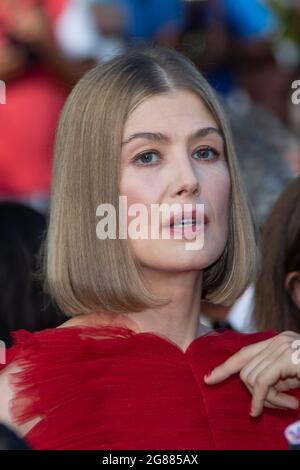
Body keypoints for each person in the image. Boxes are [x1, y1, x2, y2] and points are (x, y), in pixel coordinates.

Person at [0, 45, 300, 450]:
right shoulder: (19, 396)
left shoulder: (282, 372)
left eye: (205, 151)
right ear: (94, 194)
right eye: (148, 157)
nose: (188, 179)